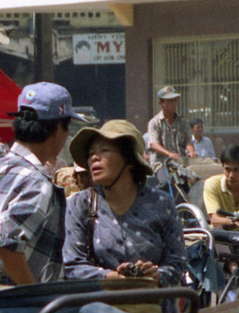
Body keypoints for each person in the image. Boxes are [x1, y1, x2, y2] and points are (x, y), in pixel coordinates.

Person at [0, 82, 83, 285]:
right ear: (59, 129)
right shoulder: (37, 183)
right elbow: (6, 243)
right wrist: (31, 294)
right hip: (9, 306)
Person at [62, 120, 186, 285]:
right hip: (100, 306)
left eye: (104, 150)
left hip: (154, 306)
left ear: (129, 161)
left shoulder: (161, 203)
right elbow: (73, 265)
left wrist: (156, 275)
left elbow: (177, 262)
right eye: (91, 153)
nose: (94, 158)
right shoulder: (81, 204)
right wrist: (110, 277)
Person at [146, 86, 194, 168]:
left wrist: (191, 151)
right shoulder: (154, 122)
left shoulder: (183, 121)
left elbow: (188, 141)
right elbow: (153, 144)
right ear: (161, 103)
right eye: (169, 101)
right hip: (161, 163)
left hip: (181, 162)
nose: (173, 103)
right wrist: (170, 154)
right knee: (166, 179)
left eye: (174, 100)